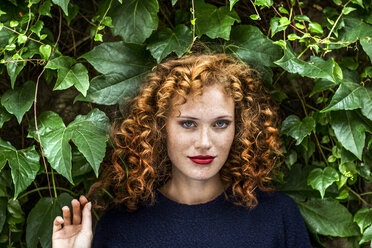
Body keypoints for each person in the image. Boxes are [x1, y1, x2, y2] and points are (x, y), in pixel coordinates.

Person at [52, 54, 311, 248]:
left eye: (220, 124)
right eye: (188, 123)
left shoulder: (277, 217)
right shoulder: (121, 226)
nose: (204, 142)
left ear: (239, 128)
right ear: (159, 127)